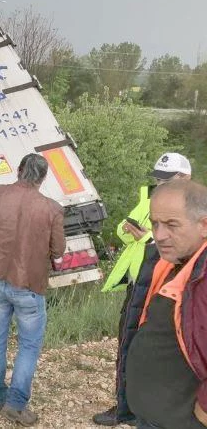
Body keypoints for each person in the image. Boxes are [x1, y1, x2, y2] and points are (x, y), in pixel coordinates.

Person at [94, 152, 192, 426]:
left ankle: (153, 412)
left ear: (185, 178)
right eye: (157, 179)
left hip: (170, 290)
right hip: (140, 284)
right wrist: (132, 232)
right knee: (129, 347)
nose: (160, 185)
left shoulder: (195, 208)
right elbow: (123, 231)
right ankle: (126, 407)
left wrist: (148, 237)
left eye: (167, 180)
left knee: (168, 354)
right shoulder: (150, 200)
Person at [0, 153, 65, 427]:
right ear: (43, 177)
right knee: (29, 345)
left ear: (19, 170)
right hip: (29, 285)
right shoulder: (52, 209)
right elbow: (58, 250)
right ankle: (15, 404)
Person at [125, 180, 207, 429]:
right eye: (155, 224)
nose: (159, 235)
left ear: (204, 225)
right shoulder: (177, 261)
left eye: (172, 225)